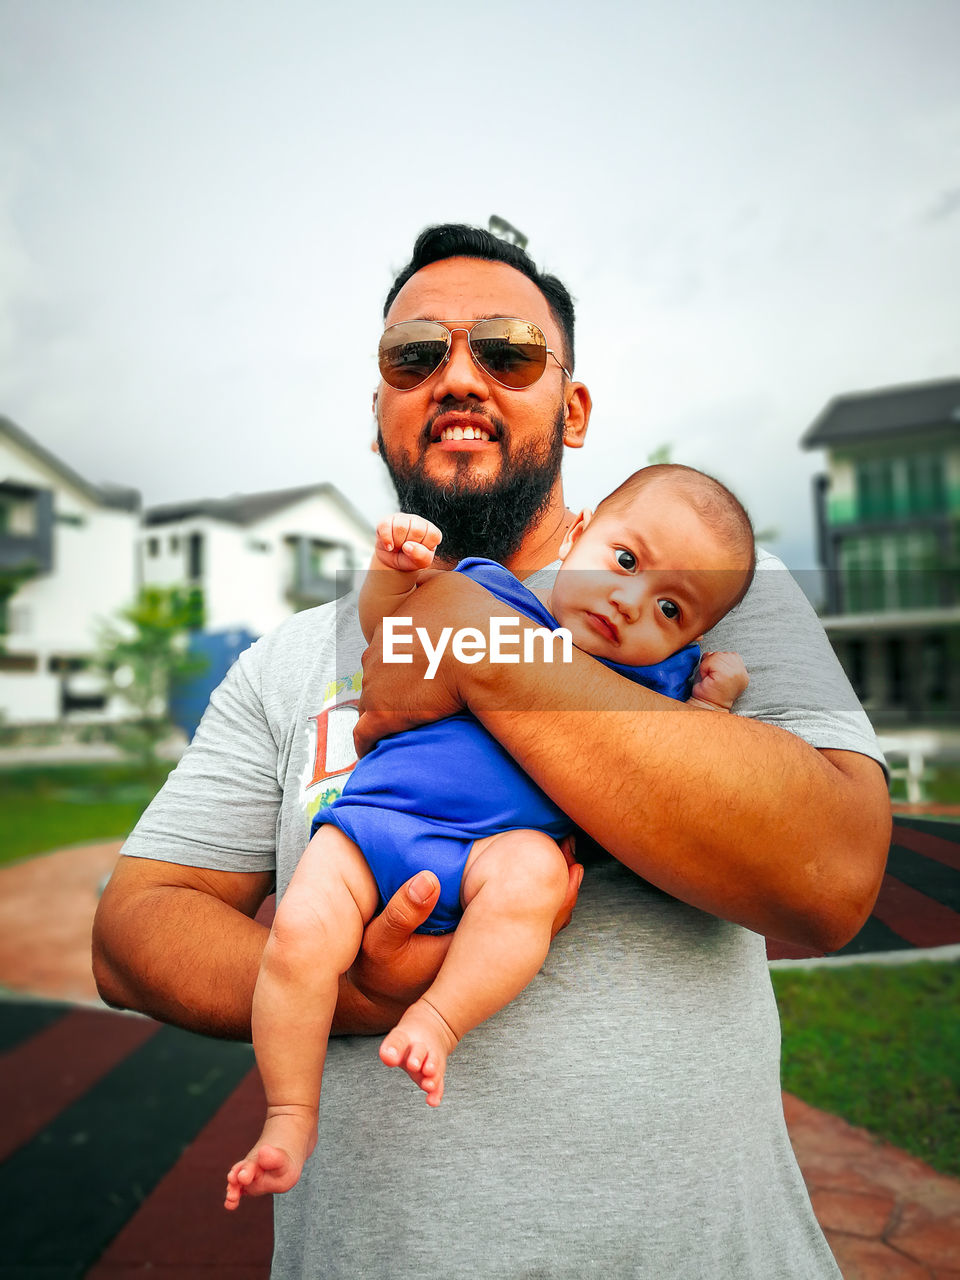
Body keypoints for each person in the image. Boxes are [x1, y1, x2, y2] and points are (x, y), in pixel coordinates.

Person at [93, 224, 891, 1279]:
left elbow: (834, 872)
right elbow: (132, 928)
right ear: (379, 405)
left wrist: (477, 641)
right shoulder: (287, 659)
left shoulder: (717, 594)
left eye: (508, 351)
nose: (458, 377)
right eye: (415, 356)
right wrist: (360, 991)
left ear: (574, 407)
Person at [224, 463, 754, 1209]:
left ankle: (437, 1021)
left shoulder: (653, 685)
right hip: (375, 824)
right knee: (299, 939)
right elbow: (387, 629)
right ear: (581, 532)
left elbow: (689, 767)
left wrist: (715, 699)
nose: (631, 603)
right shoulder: (487, 594)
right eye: (626, 561)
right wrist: (392, 570)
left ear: (690, 638)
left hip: (487, 860)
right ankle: (288, 1115)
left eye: (670, 608)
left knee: (537, 874)